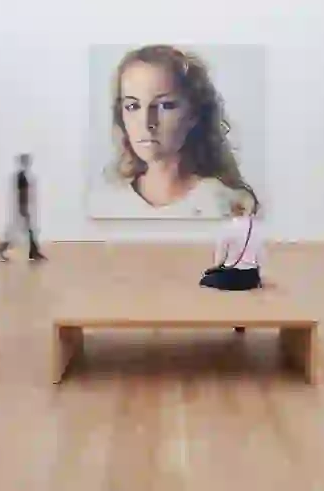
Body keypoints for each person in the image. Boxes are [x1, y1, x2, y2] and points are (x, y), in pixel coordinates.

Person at [89, 44, 259, 219]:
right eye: (133, 106)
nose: (147, 122)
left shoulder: (224, 206)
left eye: (165, 106)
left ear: (194, 114)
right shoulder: (105, 205)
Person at [200, 197, 265, 333]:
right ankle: (241, 319)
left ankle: (227, 316)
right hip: (251, 277)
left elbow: (220, 256)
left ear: (231, 210)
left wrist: (214, 267)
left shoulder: (228, 228)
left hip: (232, 276)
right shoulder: (255, 227)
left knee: (205, 280)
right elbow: (260, 255)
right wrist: (261, 277)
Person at [0, 153, 46, 262]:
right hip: (22, 210)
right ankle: (1, 250)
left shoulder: (22, 176)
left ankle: (34, 252)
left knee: (28, 231)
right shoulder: (21, 176)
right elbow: (22, 194)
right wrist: (23, 210)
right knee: (16, 233)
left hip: (22, 209)